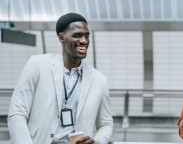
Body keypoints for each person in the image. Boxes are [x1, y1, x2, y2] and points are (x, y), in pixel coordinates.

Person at [7, 13, 113, 144]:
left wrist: (97, 141)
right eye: (77, 35)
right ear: (62, 37)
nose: (84, 41)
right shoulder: (37, 65)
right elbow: (16, 114)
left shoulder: (99, 80)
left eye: (86, 35)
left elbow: (106, 123)